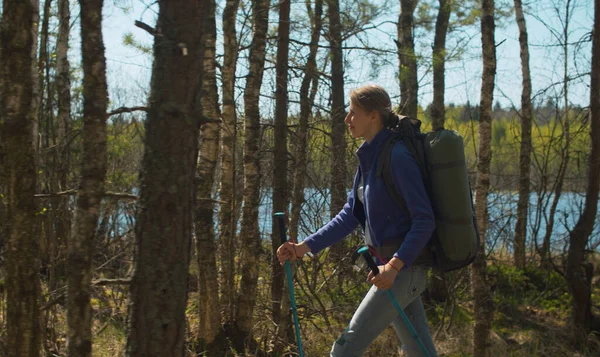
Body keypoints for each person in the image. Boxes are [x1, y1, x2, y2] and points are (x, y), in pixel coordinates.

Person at [276, 84, 439, 357]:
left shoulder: (397, 156)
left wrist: (394, 266)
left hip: (402, 271)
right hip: (390, 272)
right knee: (420, 352)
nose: (347, 119)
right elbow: (351, 215)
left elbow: (425, 219)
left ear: (374, 115)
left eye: (353, 112)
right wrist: (303, 247)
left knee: (343, 351)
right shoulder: (369, 158)